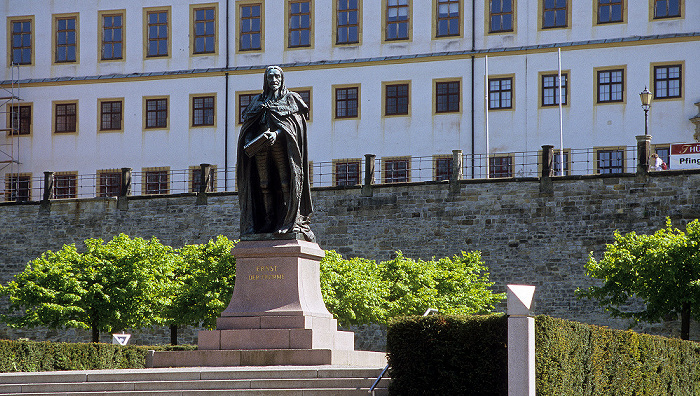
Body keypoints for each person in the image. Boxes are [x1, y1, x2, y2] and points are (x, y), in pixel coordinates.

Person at [237, 66, 314, 241]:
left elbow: (294, 127)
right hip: (260, 147)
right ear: (266, 79)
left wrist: (277, 134)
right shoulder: (257, 101)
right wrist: (249, 139)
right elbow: (249, 125)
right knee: (263, 184)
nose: (274, 80)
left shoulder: (291, 99)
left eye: (277, 76)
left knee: (286, 182)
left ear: (282, 78)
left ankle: (287, 220)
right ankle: (268, 221)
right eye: (270, 77)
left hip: (281, 146)